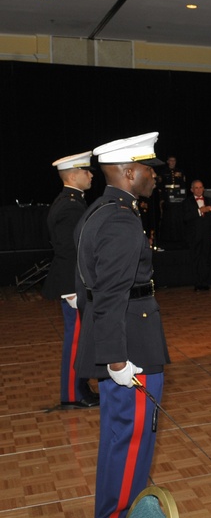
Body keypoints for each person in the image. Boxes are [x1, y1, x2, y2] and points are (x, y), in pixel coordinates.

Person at [74, 132, 170, 518]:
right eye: (148, 168)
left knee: (121, 437)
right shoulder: (119, 219)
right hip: (132, 345)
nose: (154, 175)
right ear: (129, 172)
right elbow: (110, 293)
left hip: (127, 336)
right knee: (130, 440)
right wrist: (115, 359)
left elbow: (87, 286)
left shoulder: (101, 210)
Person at [42, 150, 99, 409]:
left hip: (73, 282)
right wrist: (71, 290)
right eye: (86, 171)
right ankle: (73, 394)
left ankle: (78, 389)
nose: (90, 175)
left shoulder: (71, 201)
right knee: (76, 340)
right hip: (72, 284)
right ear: (74, 175)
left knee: (79, 339)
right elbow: (68, 250)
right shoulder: (69, 205)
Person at [183, 179, 211, 291]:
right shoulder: (187, 202)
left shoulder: (210, 201)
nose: (199, 190)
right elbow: (185, 218)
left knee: (206, 258)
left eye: (201, 187)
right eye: (196, 188)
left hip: (207, 235)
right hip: (194, 236)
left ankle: (205, 282)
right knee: (196, 259)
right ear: (192, 190)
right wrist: (200, 211)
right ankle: (197, 282)